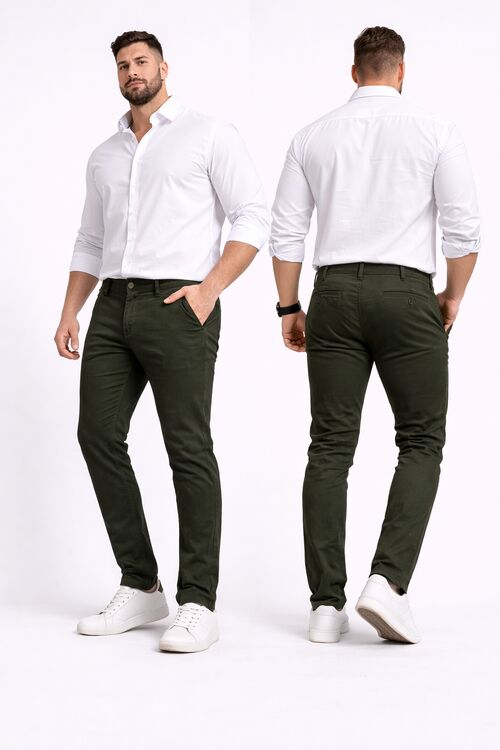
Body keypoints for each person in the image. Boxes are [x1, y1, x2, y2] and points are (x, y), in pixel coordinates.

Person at [54, 30, 269, 653]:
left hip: (181, 304)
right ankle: (142, 584)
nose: (132, 71)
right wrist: (70, 311)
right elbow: (90, 239)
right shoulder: (104, 155)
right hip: (112, 305)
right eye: (123, 64)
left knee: (187, 447)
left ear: (164, 67)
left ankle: (199, 601)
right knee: (97, 434)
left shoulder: (208, 133)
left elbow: (252, 215)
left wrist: (209, 289)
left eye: (141, 61)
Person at [270, 26, 480, 644]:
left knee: (329, 447)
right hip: (408, 293)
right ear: (401, 70)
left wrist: (290, 306)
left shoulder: (312, 135)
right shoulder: (436, 130)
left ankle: (324, 607)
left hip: (332, 295)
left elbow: (286, 233)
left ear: (354, 71)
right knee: (421, 439)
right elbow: (464, 230)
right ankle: (387, 583)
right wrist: (452, 295)